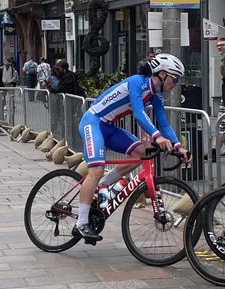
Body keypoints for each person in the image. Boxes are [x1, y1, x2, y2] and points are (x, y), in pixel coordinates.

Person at [74, 54, 189, 238]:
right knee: (95, 170)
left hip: (109, 127)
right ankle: (80, 223)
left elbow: (164, 123)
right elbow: (139, 113)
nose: (175, 83)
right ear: (162, 74)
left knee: (143, 152)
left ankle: (103, 185)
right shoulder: (137, 82)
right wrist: (157, 136)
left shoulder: (156, 95)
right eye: (174, 78)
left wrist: (177, 145)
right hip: (93, 122)